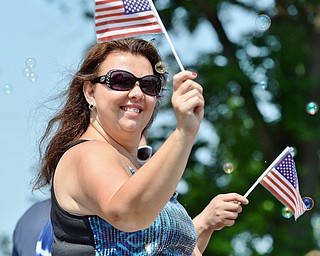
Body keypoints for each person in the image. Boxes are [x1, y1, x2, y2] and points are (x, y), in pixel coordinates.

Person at [33, 38, 248, 255]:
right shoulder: (86, 153)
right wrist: (184, 133)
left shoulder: (139, 169)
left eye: (148, 85)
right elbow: (127, 214)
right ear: (90, 92)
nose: (137, 93)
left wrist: (203, 225)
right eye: (120, 81)